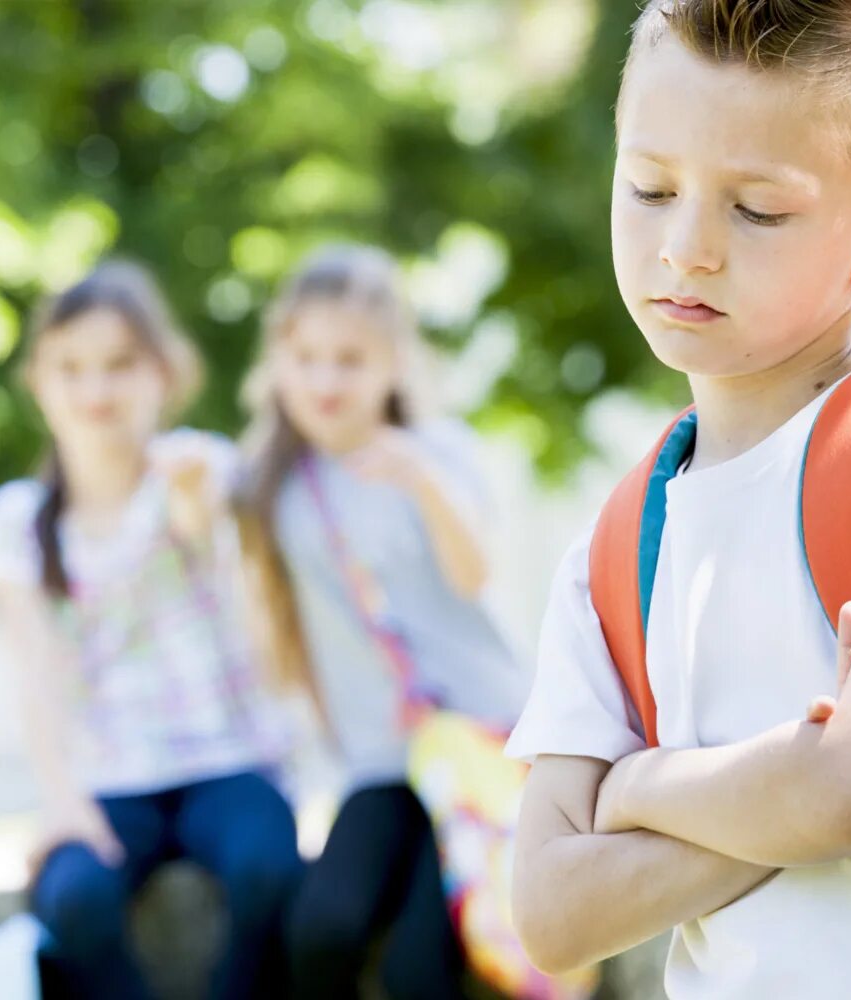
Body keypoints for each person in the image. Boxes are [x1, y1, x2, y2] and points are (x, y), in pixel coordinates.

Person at [507, 2, 851, 997]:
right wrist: (799, 793)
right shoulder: (614, 548)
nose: (685, 248)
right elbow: (551, 915)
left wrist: (636, 788)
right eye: (648, 187)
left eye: (756, 210)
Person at [0, 260, 299, 1000]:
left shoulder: (200, 469)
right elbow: (34, 674)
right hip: (109, 777)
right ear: (39, 383)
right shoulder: (14, 523)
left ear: (163, 373)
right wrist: (61, 801)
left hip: (229, 763)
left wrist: (193, 503)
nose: (96, 390)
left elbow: (203, 530)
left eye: (120, 366)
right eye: (72, 369)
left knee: (269, 870)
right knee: (74, 898)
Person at [234, 243, 527, 1000]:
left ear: (394, 362)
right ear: (278, 362)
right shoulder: (274, 485)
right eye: (306, 358)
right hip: (379, 760)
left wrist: (422, 483)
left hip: (478, 746)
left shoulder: (439, 452)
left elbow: (478, 576)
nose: (325, 379)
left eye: (350, 359)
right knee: (321, 930)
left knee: (419, 970)